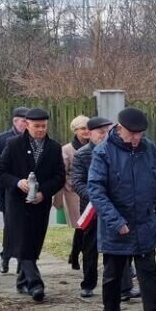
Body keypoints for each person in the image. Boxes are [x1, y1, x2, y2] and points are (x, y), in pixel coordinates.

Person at [88, 107, 156, 311]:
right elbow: (96, 190)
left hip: (144, 223)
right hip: (117, 225)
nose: (137, 137)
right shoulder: (104, 152)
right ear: (120, 129)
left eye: (141, 133)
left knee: (149, 275)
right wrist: (115, 221)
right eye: (132, 133)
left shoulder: (148, 149)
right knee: (113, 275)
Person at [0, 108, 66, 303]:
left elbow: (59, 177)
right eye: (37, 126)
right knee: (22, 241)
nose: (40, 130)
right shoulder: (13, 144)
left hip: (40, 204)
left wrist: (44, 192)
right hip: (17, 204)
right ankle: (35, 284)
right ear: (27, 125)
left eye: (44, 126)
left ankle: (22, 281)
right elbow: (0, 170)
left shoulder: (53, 147)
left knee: (33, 243)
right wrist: (17, 182)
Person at [71, 115, 114, 298]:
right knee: (90, 247)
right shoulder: (82, 154)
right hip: (91, 207)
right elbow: (77, 181)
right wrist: (96, 197)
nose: (104, 136)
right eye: (100, 132)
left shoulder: (115, 151)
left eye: (107, 132)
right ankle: (88, 283)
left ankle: (120, 284)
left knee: (116, 246)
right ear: (90, 134)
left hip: (113, 207)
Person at [0, 106, 29, 274]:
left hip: (30, 189)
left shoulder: (36, 140)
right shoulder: (2, 139)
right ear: (15, 121)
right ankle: (6, 256)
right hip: (8, 190)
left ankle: (22, 261)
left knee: (27, 227)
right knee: (11, 226)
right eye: (24, 121)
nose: (27, 125)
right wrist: (10, 180)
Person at [61, 115, 91, 271]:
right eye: (82, 128)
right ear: (75, 130)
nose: (86, 131)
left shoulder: (95, 146)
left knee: (86, 225)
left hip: (90, 191)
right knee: (81, 225)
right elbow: (62, 172)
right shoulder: (67, 149)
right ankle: (76, 255)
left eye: (88, 128)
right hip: (73, 193)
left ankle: (74, 254)